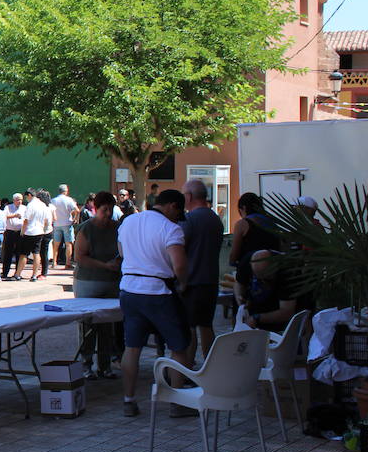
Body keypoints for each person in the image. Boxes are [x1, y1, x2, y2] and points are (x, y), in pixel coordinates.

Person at [116, 190, 192, 418]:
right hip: (158, 291)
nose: (178, 217)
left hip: (129, 289)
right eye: (178, 212)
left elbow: (121, 252)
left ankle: (128, 400)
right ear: (171, 206)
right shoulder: (170, 228)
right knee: (179, 347)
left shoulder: (129, 221)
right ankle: (177, 402)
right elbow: (179, 265)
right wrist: (184, 284)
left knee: (132, 347)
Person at [73, 191, 122, 380]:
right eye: (104, 210)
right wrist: (105, 265)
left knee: (107, 325)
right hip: (88, 282)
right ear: (96, 208)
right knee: (88, 324)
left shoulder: (117, 228)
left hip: (111, 283)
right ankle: (86, 365)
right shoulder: (86, 228)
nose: (108, 213)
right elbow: (79, 257)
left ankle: (105, 365)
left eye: (111, 209)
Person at [181, 179, 226, 360]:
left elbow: (179, 246)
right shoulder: (215, 219)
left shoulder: (190, 219)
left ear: (189, 196)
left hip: (192, 281)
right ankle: (211, 365)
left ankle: (186, 368)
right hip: (210, 280)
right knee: (206, 326)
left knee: (189, 327)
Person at [229, 192, 281, 302]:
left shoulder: (243, 224)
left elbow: (234, 253)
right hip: (273, 272)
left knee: (243, 306)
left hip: (249, 273)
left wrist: (233, 262)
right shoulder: (272, 222)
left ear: (243, 208)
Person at [242, 250, 302, 334]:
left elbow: (287, 312)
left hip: (282, 326)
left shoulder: (288, 272)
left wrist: (256, 318)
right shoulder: (247, 260)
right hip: (257, 320)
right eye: (258, 277)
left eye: (266, 278)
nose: (262, 282)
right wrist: (241, 299)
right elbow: (238, 283)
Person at [18, 189, 52, 281]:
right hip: (40, 232)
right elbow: (46, 220)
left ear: (29, 195)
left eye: (26, 197)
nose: (26, 199)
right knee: (36, 253)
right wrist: (43, 230)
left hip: (29, 232)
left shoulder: (31, 205)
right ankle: (34, 275)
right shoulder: (43, 205)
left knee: (24, 254)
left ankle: (18, 274)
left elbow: (26, 220)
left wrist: (22, 231)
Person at [52, 184, 80, 270]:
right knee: (68, 244)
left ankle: (54, 262)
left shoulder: (53, 200)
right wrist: (74, 219)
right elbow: (77, 210)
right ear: (66, 191)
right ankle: (67, 263)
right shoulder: (69, 200)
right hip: (67, 223)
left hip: (56, 224)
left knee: (56, 244)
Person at [2, 193, 25, 279]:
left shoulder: (24, 208)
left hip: (20, 232)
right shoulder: (8, 207)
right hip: (10, 232)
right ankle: (5, 272)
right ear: (14, 200)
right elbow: (4, 216)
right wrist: (14, 216)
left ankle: (17, 272)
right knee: (8, 253)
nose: (20, 201)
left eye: (21, 200)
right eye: (18, 199)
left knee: (19, 253)